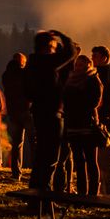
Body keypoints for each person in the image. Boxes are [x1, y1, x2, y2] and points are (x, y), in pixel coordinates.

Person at [25, 29, 79, 193]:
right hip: (52, 112)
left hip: (39, 111)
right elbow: (71, 52)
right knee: (50, 156)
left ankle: (35, 194)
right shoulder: (46, 62)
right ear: (49, 45)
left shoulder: (32, 63)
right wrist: (63, 36)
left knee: (41, 154)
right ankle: (44, 195)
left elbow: (26, 91)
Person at [62, 55, 103, 196]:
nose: (78, 67)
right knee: (79, 161)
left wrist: (77, 104)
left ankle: (93, 193)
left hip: (88, 125)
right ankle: (82, 192)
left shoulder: (92, 79)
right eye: (77, 65)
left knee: (91, 160)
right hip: (73, 124)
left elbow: (95, 101)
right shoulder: (70, 80)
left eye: (82, 65)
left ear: (88, 66)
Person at [91, 46, 110, 198]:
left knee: (107, 157)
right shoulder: (99, 74)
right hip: (102, 121)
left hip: (106, 123)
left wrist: (104, 117)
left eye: (95, 56)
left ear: (104, 57)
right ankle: (103, 189)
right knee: (101, 158)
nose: (92, 58)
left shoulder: (108, 75)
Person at [1, 53, 30, 182]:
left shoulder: (6, 75)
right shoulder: (25, 74)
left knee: (17, 143)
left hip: (13, 113)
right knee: (34, 142)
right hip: (26, 111)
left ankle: (16, 172)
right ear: (22, 62)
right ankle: (37, 173)